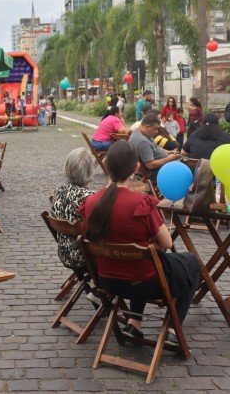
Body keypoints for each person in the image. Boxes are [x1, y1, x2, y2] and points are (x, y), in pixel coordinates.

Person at [79, 141, 201, 344]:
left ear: (107, 167)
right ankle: (173, 329)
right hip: (144, 283)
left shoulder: (91, 202)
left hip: (107, 280)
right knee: (191, 262)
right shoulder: (140, 203)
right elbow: (167, 242)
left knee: (141, 260)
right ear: (136, 167)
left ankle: (134, 324)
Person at [50, 148, 96, 285]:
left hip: (64, 252)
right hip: (85, 257)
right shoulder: (90, 197)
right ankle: (108, 289)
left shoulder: (58, 191)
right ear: (89, 170)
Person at [128, 113, 181, 180]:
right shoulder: (142, 141)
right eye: (155, 129)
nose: (156, 132)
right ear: (147, 126)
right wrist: (170, 159)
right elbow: (150, 165)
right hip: (158, 172)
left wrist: (170, 152)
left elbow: (154, 150)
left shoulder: (139, 132)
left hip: (163, 167)